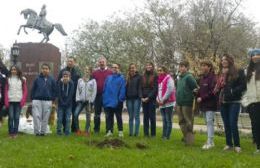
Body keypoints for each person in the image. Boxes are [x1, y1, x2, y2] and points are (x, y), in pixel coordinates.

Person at [214, 54, 246, 153]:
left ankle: (237, 145)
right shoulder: (220, 73)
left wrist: (233, 91)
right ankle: (228, 144)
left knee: (233, 123)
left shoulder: (238, 71)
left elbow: (243, 86)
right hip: (223, 101)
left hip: (234, 101)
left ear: (230, 60)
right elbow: (218, 87)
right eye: (222, 60)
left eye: (225, 59)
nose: (223, 61)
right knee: (226, 124)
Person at [242, 49, 260, 154]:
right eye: (253, 55)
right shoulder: (247, 71)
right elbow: (245, 88)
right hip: (252, 102)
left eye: (258, 55)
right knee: (256, 125)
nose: (255, 57)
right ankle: (258, 147)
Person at [58, 57, 82, 133]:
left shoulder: (77, 72)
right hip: (64, 96)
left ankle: (74, 128)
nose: (70, 62)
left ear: (74, 62)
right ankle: (65, 128)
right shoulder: (62, 71)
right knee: (65, 114)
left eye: (71, 61)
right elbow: (58, 82)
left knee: (74, 113)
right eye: (68, 61)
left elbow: (80, 84)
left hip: (74, 96)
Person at [176, 60, 198, 145]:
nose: (181, 68)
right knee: (181, 121)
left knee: (188, 121)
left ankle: (190, 140)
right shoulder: (179, 77)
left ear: (187, 68)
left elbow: (195, 88)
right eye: (180, 66)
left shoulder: (189, 77)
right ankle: (186, 137)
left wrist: (189, 97)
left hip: (187, 103)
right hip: (179, 102)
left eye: (183, 66)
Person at [31, 63, 57, 136]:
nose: (45, 70)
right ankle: (37, 132)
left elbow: (54, 91)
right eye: (43, 68)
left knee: (45, 117)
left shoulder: (52, 79)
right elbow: (33, 89)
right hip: (37, 100)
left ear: (49, 70)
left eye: (46, 69)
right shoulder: (37, 78)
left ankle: (43, 132)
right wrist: (32, 99)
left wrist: (53, 100)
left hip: (48, 101)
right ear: (41, 70)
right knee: (36, 116)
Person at [197, 61, 217, 149]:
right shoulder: (202, 78)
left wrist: (202, 98)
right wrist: (197, 94)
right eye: (201, 65)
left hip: (210, 104)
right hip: (203, 104)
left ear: (209, 67)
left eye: (204, 65)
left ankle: (210, 142)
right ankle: (210, 141)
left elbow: (213, 91)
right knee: (207, 122)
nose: (202, 67)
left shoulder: (213, 77)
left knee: (209, 122)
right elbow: (201, 90)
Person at [4, 65, 27, 138]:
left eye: (15, 70)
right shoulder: (8, 79)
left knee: (16, 117)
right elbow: (6, 90)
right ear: (11, 71)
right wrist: (6, 100)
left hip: (18, 102)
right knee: (11, 117)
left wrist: (23, 100)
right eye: (12, 70)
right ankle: (10, 133)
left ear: (17, 71)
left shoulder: (22, 80)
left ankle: (15, 133)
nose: (13, 71)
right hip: (10, 101)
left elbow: (25, 91)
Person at [103, 63, 126, 137]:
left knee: (118, 116)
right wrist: (104, 98)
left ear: (118, 69)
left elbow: (123, 90)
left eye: (116, 67)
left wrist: (120, 99)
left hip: (117, 101)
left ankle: (120, 131)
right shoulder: (108, 78)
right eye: (113, 67)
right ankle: (110, 131)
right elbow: (104, 88)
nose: (114, 69)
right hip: (108, 101)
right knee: (109, 117)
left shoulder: (121, 78)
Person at [92, 57, 112, 133]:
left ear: (106, 62)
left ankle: (108, 130)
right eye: (100, 62)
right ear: (98, 63)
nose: (101, 63)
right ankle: (96, 129)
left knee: (107, 114)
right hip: (97, 96)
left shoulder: (110, 72)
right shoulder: (94, 73)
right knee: (97, 114)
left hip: (107, 96)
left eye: (103, 62)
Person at [74, 66, 97, 136]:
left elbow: (94, 91)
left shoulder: (93, 81)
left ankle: (86, 131)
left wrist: (91, 100)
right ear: (84, 71)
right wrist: (77, 99)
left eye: (88, 70)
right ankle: (78, 130)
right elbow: (78, 90)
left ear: (90, 71)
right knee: (75, 114)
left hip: (88, 102)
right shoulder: (80, 80)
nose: (86, 71)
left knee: (88, 117)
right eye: (85, 69)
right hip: (81, 101)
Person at [156, 66, 175, 140]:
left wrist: (163, 99)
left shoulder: (169, 78)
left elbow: (170, 90)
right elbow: (158, 91)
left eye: (161, 70)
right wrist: (158, 99)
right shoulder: (159, 80)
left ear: (164, 71)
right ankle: (164, 135)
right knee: (164, 119)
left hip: (168, 102)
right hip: (161, 103)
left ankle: (167, 136)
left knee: (168, 119)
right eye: (158, 70)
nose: (159, 72)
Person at [141, 62, 158, 137]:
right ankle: (146, 133)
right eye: (147, 65)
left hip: (151, 99)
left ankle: (153, 134)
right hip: (143, 99)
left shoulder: (155, 76)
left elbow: (155, 88)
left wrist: (149, 97)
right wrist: (141, 97)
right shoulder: (143, 76)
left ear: (152, 67)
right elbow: (140, 88)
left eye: (150, 65)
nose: (148, 66)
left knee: (152, 117)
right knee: (145, 117)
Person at [126, 63, 142, 136]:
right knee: (130, 117)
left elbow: (140, 88)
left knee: (136, 116)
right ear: (129, 69)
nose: (132, 69)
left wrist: (140, 97)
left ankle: (136, 133)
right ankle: (131, 133)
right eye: (131, 68)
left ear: (136, 69)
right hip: (129, 99)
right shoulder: (127, 77)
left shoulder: (139, 77)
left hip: (136, 99)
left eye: (133, 68)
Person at [57, 71, 74, 135]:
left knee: (68, 119)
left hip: (68, 105)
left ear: (69, 77)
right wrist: (62, 102)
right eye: (64, 76)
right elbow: (59, 93)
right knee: (60, 119)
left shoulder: (71, 83)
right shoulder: (59, 83)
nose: (65, 78)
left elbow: (71, 94)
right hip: (60, 105)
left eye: (67, 76)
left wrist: (66, 102)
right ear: (62, 77)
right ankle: (59, 132)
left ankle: (67, 132)